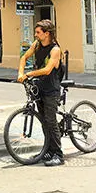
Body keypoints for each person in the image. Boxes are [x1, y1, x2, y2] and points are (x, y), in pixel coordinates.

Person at [17, 19, 64, 167]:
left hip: (51, 89)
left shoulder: (55, 50)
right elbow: (24, 57)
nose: (35, 35)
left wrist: (29, 74)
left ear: (47, 33)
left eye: (38, 32)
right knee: (44, 121)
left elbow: (47, 70)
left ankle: (58, 154)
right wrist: (20, 73)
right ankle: (48, 151)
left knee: (51, 121)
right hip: (40, 88)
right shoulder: (37, 45)